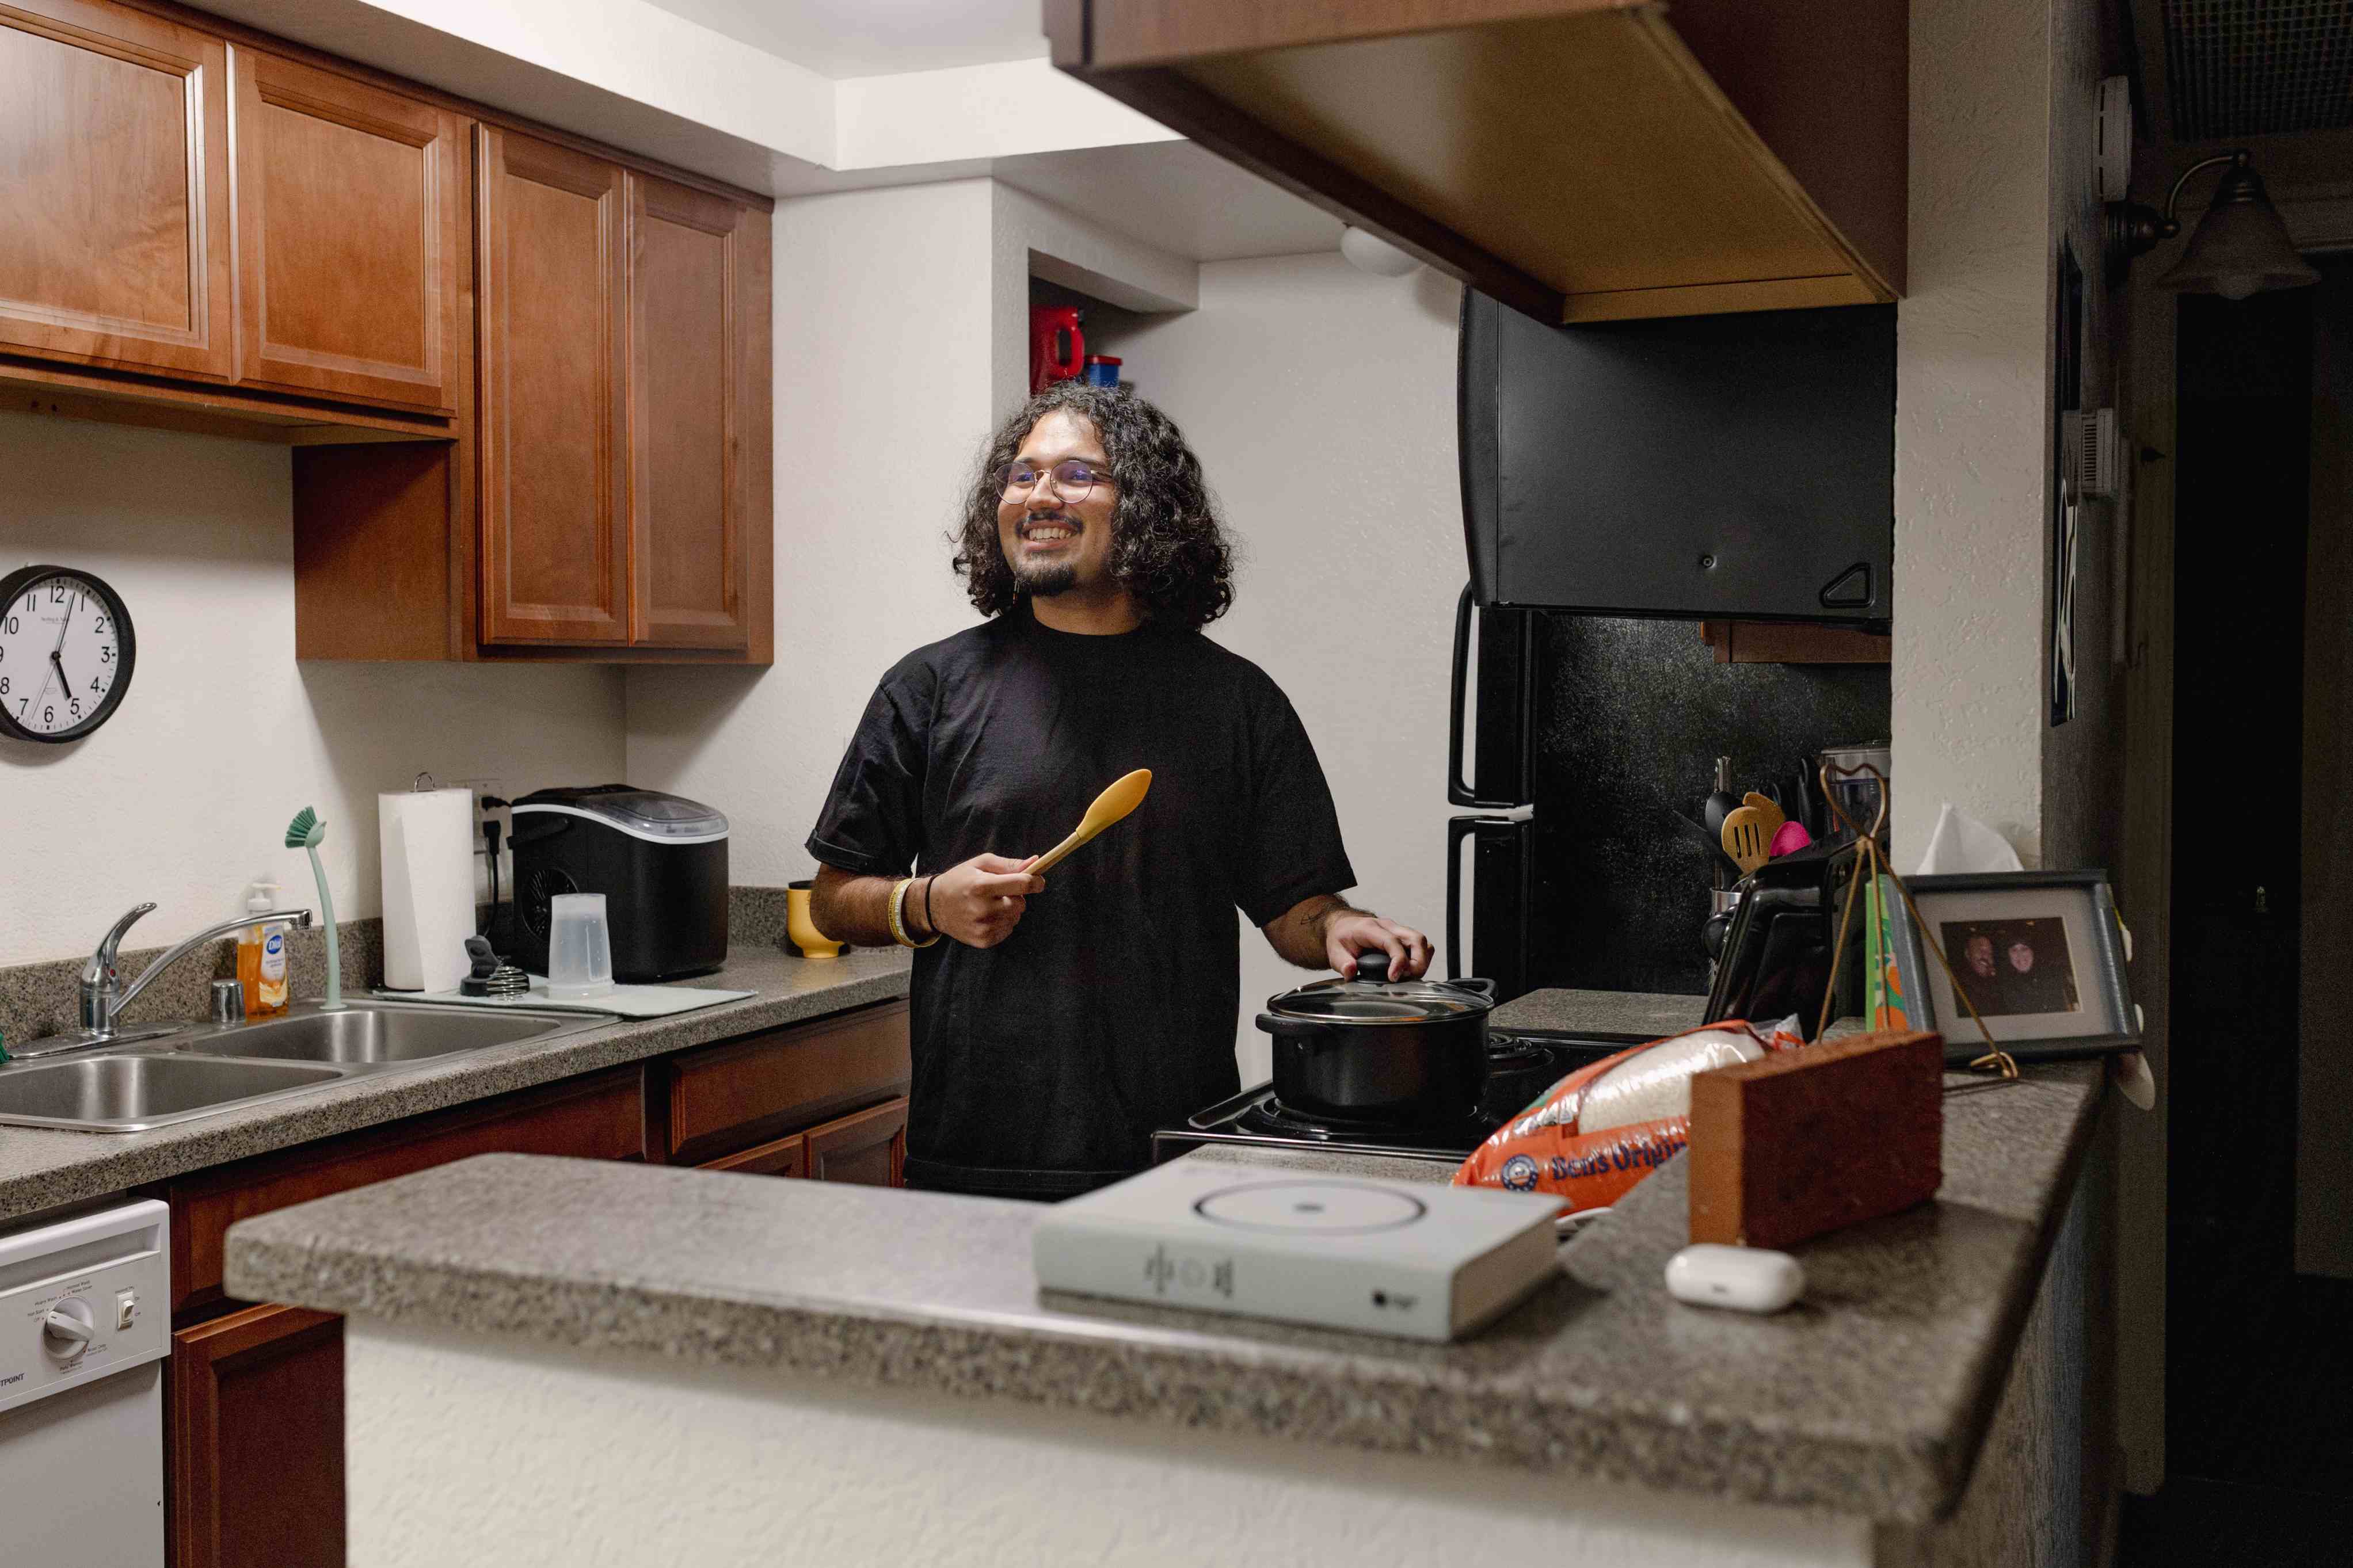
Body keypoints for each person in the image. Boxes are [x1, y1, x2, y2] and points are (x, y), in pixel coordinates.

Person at [805, 383, 1432, 1201]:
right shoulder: (929, 689)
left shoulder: (1235, 702)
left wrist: (1346, 927)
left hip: (1178, 1149)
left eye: (1075, 474)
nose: (1038, 496)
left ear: (1144, 505)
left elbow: (1293, 910)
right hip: (976, 1154)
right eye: (1021, 476)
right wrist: (929, 902)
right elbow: (831, 898)